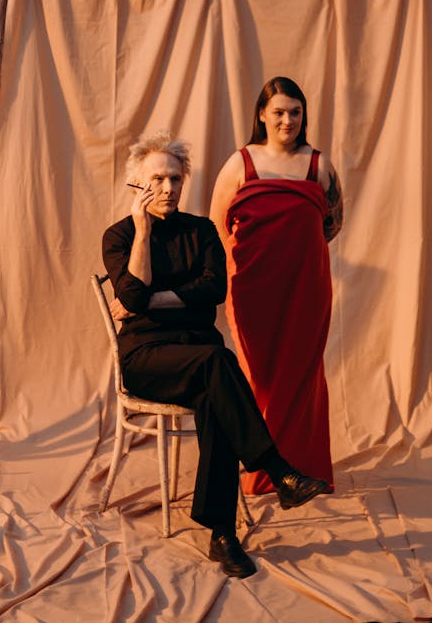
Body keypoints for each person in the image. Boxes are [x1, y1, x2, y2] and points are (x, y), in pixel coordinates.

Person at [102, 129, 332, 579]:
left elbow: (213, 291)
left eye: (175, 179)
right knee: (219, 362)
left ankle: (222, 535)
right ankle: (277, 468)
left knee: (216, 392)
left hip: (200, 360)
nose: (168, 189)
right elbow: (131, 296)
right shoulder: (120, 235)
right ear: (138, 185)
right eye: (157, 180)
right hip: (147, 358)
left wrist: (152, 297)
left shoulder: (202, 229)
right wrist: (144, 231)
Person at [209, 77, 343, 496]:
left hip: (307, 289)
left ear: (304, 116)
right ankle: (265, 471)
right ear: (262, 115)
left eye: (295, 112)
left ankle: (301, 469)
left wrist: (298, 252)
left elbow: (333, 223)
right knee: (259, 378)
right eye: (279, 112)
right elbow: (216, 225)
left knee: (303, 376)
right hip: (251, 290)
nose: (288, 120)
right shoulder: (240, 163)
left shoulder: (319, 165)